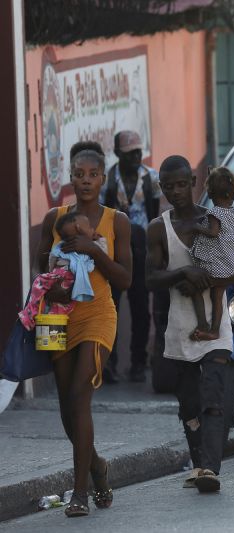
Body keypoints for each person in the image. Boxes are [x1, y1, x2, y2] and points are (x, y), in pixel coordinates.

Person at [36, 141, 132, 517]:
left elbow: (125, 279)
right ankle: (97, 466)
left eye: (93, 174)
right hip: (56, 318)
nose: (86, 181)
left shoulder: (115, 221)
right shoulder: (53, 218)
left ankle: (80, 494)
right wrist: (51, 284)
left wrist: (94, 252)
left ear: (102, 178)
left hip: (97, 318)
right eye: (79, 174)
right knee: (66, 409)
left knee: (79, 396)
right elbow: (41, 269)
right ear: (71, 178)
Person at [146, 156, 234, 493]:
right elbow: (150, 278)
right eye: (168, 186)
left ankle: (210, 468)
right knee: (189, 403)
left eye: (181, 184)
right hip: (179, 326)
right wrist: (182, 274)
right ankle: (199, 464)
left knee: (213, 395)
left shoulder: (215, 218)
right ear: (161, 188)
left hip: (217, 326)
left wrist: (208, 279)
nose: (176, 191)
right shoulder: (157, 228)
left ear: (193, 182)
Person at [101, 130, 161, 383]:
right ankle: (109, 363)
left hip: (141, 250)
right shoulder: (107, 181)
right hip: (114, 251)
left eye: (138, 151)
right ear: (117, 154)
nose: (136, 156)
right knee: (110, 307)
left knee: (140, 308)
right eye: (130, 153)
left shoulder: (151, 178)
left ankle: (138, 362)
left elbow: (155, 214)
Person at [19, 212, 108, 330]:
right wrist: (52, 272)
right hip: (58, 276)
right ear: (79, 230)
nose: (93, 229)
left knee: (62, 303)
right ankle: (31, 314)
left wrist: (97, 240)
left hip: (73, 281)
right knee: (39, 285)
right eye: (89, 227)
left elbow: (102, 253)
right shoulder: (64, 246)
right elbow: (53, 258)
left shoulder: (92, 246)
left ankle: (41, 317)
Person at [188, 168, 234, 341]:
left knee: (195, 290)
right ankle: (215, 330)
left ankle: (202, 325)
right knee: (218, 296)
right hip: (233, 263)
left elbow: (213, 233)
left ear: (211, 193)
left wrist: (196, 227)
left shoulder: (215, 213)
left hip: (218, 265)